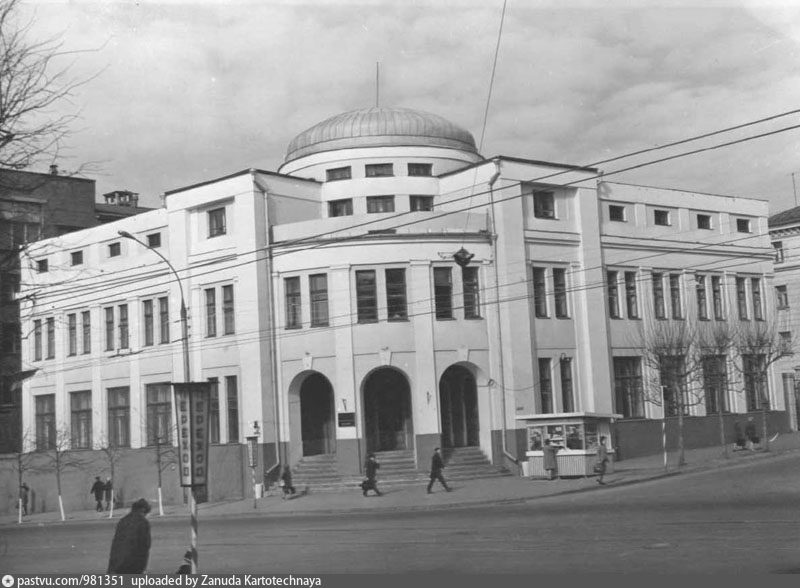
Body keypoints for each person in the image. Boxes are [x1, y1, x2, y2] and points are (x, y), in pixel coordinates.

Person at [107, 498, 152, 573]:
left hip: (118, 563)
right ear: (143, 510)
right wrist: (143, 567)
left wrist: (111, 567)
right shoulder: (143, 522)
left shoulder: (123, 521)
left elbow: (115, 544)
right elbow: (145, 546)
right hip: (133, 563)